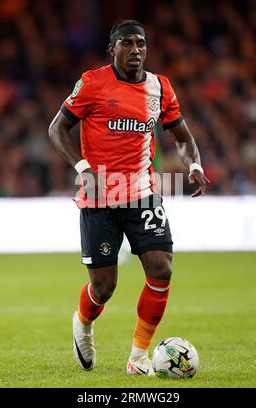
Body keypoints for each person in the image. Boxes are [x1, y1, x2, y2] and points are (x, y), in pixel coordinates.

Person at [48, 19, 209, 376]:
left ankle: (138, 357)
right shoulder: (92, 83)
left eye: (141, 44)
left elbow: (181, 136)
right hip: (100, 196)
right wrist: (83, 167)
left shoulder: (160, 88)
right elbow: (56, 128)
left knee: (161, 268)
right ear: (113, 48)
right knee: (103, 287)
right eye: (127, 44)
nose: (135, 50)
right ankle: (84, 323)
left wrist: (194, 164)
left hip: (141, 193)